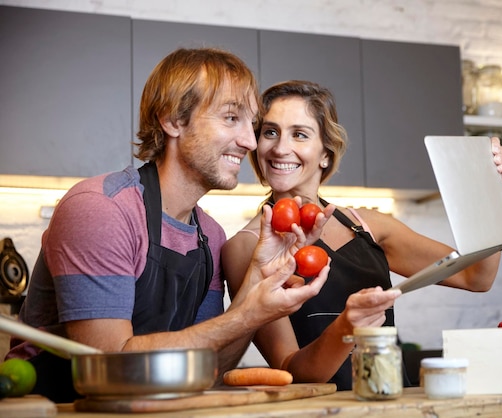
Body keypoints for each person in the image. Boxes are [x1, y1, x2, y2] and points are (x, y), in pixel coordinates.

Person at [5, 50, 331, 403]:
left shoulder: (210, 237)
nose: (250, 143)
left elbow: (208, 368)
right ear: (173, 120)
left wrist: (258, 277)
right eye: (231, 118)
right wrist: (247, 314)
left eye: (249, 125)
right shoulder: (102, 209)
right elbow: (105, 367)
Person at [221, 80, 502, 390]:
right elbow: (290, 369)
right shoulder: (244, 248)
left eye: (299, 134)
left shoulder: (368, 226)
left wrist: (490, 188)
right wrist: (347, 327)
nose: (280, 147)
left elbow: (476, 277)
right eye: (270, 132)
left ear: (326, 152)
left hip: (391, 403)